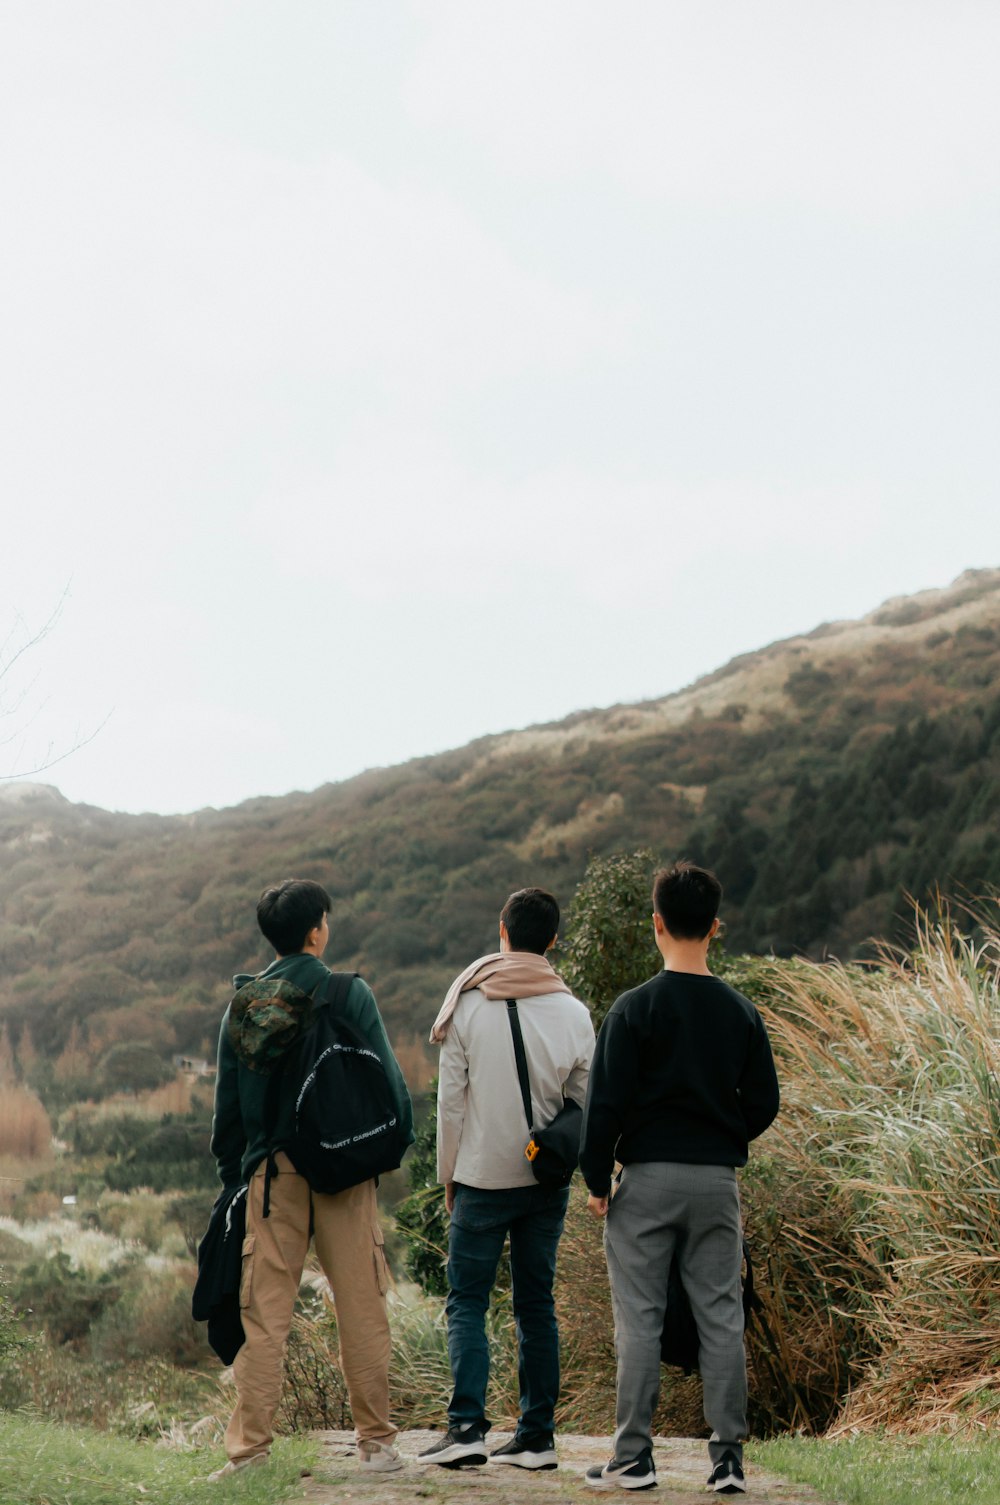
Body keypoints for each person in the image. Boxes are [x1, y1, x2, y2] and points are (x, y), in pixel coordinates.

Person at [580, 863, 779, 1495]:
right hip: (716, 1181)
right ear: (715, 928)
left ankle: (634, 1458)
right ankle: (727, 1462)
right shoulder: (740, 1011)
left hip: (647, 1179)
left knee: (639, 1318)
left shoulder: (634, 1008)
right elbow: (766, 1100)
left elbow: (603, 1106)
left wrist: (595, 1179)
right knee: (721, 1316)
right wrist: (724, 1136)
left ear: (657, 924)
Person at [208, 877, 414, 1480]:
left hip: (274, 1179)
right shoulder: (349, 993)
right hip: (345, 1173)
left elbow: (227, 1116)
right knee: (361, 1305)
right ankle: (376, 1445)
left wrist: (239, 1177)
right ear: (317, 930)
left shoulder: (244, 1007)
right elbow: (392, 1091)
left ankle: (248, 1455)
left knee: (264, 1315)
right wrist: (380, 1152)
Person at [419, 887, 595, 1472]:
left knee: (467, 1301)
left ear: (503, 930)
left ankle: (466, 1428)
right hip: (544, 1182)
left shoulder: (467, 1006)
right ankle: (537, 1437)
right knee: (535, 1304)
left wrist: (448, 1175)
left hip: (479, 1179)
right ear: (552, 940)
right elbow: (581, 1105)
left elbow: (450, 1105)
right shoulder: (575, 1014)